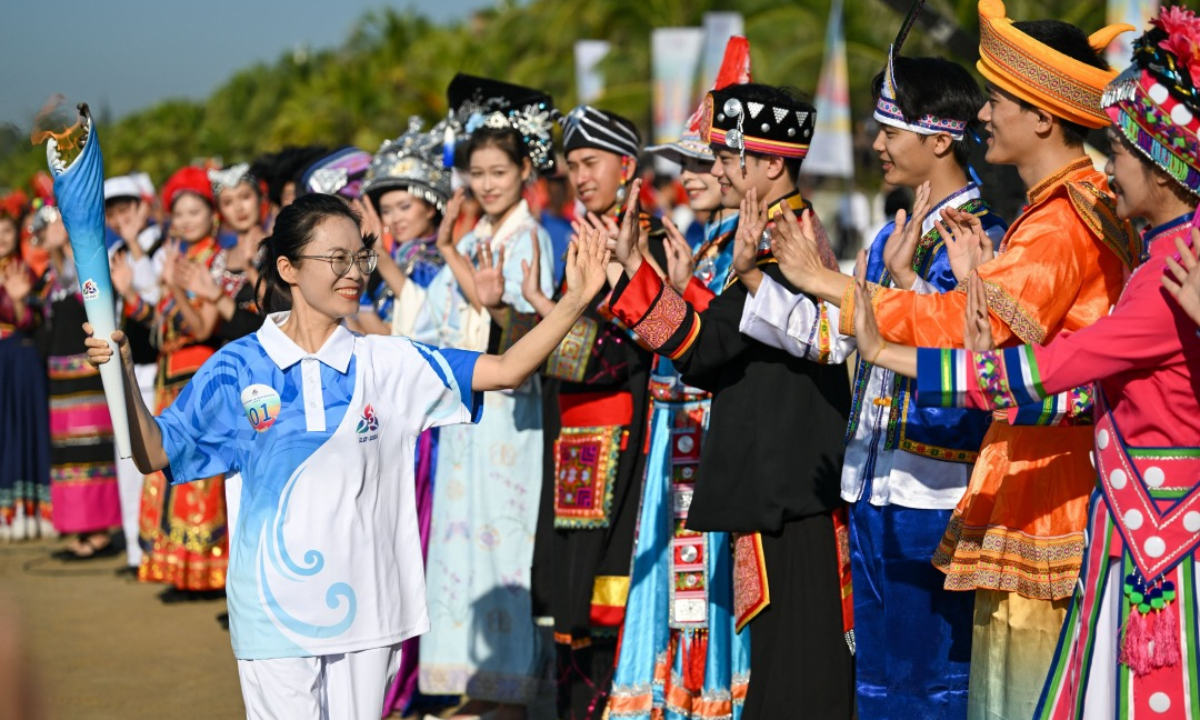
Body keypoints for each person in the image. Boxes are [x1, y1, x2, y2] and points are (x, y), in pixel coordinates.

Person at [85, 192, 614, 720]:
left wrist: (577, 297)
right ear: (288, 268)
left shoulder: (388, 362)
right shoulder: (237, 368)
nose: (355, 272)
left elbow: (507, 370)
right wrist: (123, 375)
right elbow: (153, 451)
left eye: (360, 257)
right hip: (272, 610)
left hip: (370, 609)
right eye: (336, 259)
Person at [759, 2, 1137, 716]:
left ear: (1044, 119)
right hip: (1015, 477)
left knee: (1001, 692)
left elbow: (977, 333)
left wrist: (832, 284)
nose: (982, 115)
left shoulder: (1061, 224)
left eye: (995, 100)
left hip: (1039, 491)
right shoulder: (1049, 212)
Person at [851, 11, 1200, 715]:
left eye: (1126, 151)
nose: (1114, 165)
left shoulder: (1128, 244)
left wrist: (865, 320)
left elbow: (1056, 366)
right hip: (1123, 517)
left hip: (1133, 522)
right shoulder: (1153, 247)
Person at [735, 46, 1008, 718]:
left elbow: (958, 345)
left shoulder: (985, 237)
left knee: (932, 686)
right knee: (878, 684)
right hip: (874, 483)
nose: (876, 143)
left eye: (890, 131)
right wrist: (755, 278)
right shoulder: (895, 234)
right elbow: (836, 339)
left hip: (939, 489)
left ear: (939, 138)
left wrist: (870, 281)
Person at [606, 81, 855, 719]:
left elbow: (707, 350)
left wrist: (635, 279)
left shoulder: (782, 242)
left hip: (788, 484)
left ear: (771, 163)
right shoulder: (776, 231)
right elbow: (722, 347)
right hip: (783, 484)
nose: (714, 169)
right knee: (786, 657)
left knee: (798, 667)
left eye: (726, 156)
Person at [609, 36, 753, 720]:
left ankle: (705, 694)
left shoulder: (746, 247)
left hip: (712, 429)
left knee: (704, 575)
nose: (692, 175)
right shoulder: (705, 239)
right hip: (679, 426)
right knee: (673, 572)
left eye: (709, 160)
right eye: (688, 162)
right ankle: (674, 692)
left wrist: (676, 287)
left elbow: (722, 341)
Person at [411, 74, 559, 718]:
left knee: (505, 544)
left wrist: (497, 309)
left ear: (526, 170)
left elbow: (543, 338)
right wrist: (447, 248)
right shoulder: (473, 241)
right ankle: (478, 681)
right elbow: (437, 328)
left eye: (500, 170)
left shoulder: (533, 239)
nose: (488, 183)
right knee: (464, 544)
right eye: (477, 172)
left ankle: (512, 690)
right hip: (466, 420)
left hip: (511, 420)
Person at [526, 103, 659, 719]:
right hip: (575, 438)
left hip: (622, 437)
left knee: (610, 595)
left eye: (590, 163)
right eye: (572, 165)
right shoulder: (585, 240)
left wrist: (558, 319)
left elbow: (618, 354)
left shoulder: (645, 241)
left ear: (626, 167)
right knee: (574, 597)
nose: (579, 176)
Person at [357, 115, 455, 717]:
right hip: (394, 425)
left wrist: (374, 270)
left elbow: (418, 337)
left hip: (429, 435)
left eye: (400, 205)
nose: (391, 217)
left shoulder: (437, 264)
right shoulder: (403, 259)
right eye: (384, 208)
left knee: (414, 550)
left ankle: (410, 682)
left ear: (430, 204)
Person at [128, 167, 233, 596]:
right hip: (171, 377)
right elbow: (162, 327)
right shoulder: (179, 257)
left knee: (199, 473)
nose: (187, 219)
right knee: (170, 466)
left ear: (213, 214)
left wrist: (174, 284)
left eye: (196, 210)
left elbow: (204, 326)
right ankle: (181, 570)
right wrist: (139, 297)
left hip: (201, 377)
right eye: (179, 212)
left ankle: (207, 570)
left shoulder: (216, 260)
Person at [30, 204, 122, 558]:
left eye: (53, 223)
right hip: (60, 375)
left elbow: (86, 293)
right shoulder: (51, 276)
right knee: (68, 454)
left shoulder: (88, 264)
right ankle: (80, 526)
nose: (47, 230)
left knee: (90, 448)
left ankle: (99, 530)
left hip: (88, 371)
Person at [104, 174, 159, 572]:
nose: (121, 218)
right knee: (127, 460)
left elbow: (155, 303)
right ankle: (134, 549)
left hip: (159, 369)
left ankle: (157, 548)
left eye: (128, 208)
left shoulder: (160, 246)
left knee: (152, 456)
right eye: (113, 211)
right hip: (129, 369)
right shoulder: (115, 252)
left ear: (144, 206)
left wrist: (137, 245)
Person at [0, 199, 51, 542]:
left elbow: (29, 320)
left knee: (16, 430)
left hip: (16, 359)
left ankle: (21, 512)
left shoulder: (23, 271)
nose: (1, 237)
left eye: (5, 230)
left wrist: (18, 299)